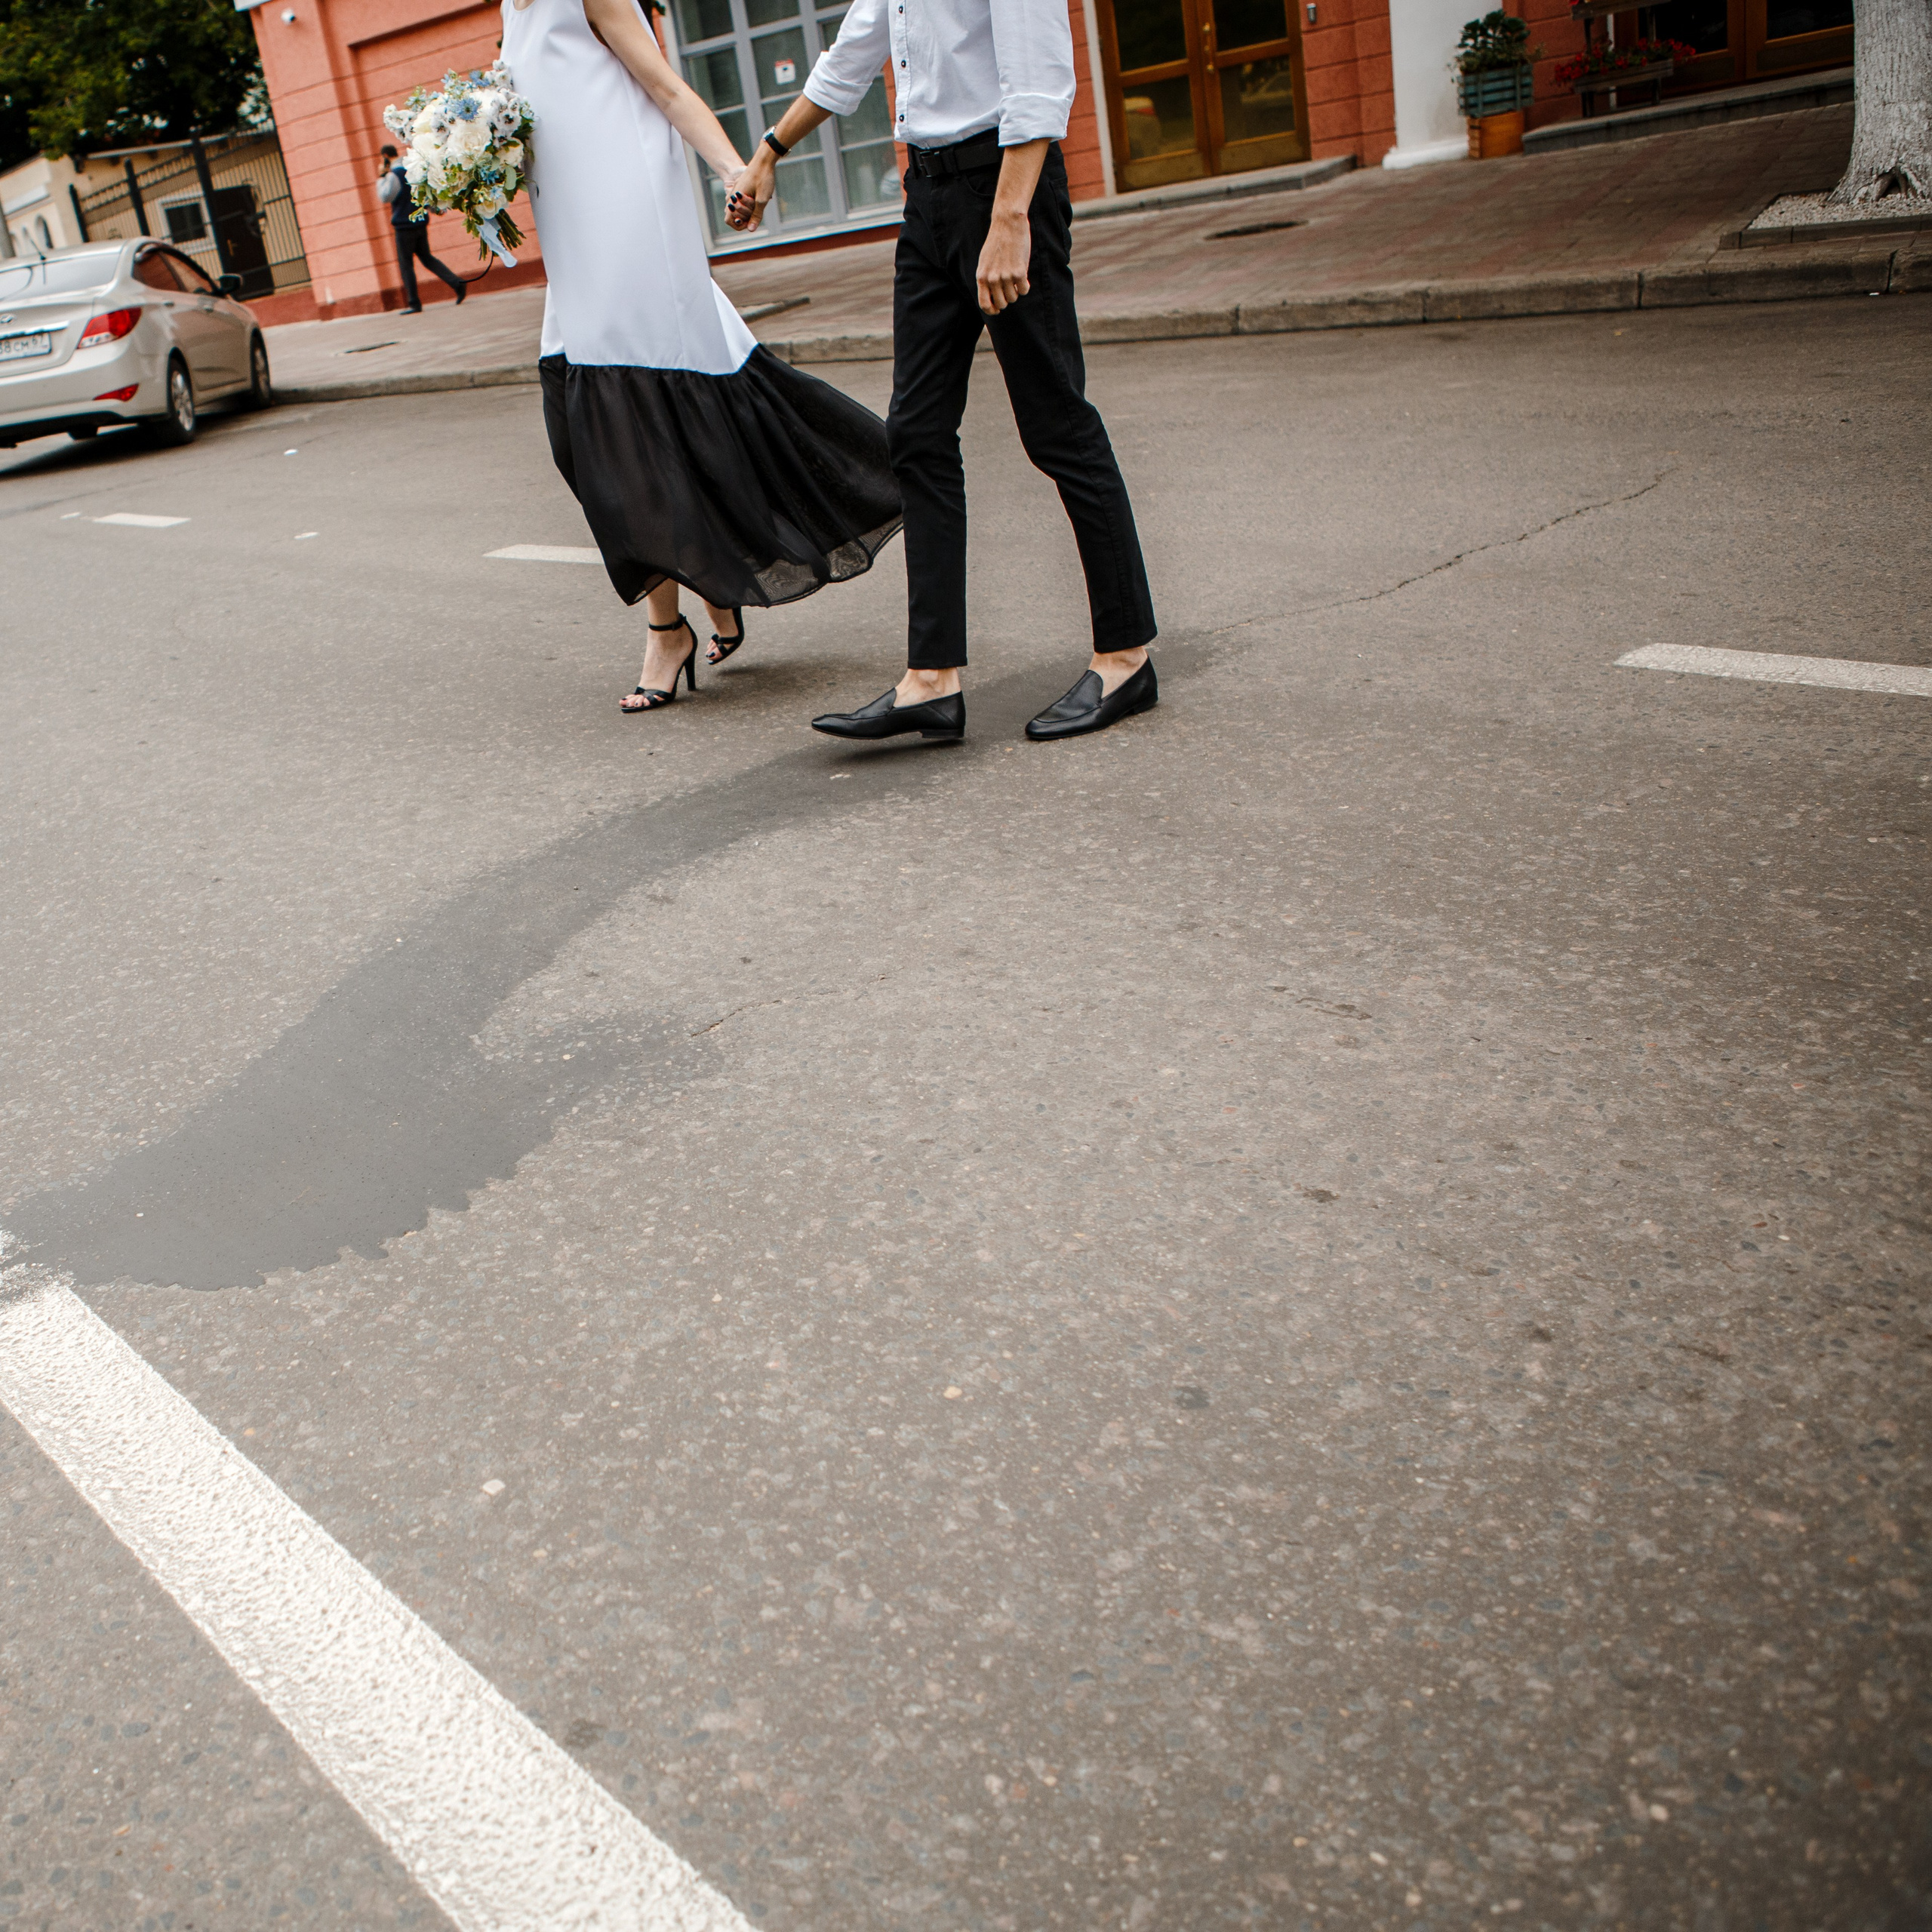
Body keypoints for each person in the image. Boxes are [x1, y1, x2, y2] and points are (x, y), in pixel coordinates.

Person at [728, 0, 1158, 744]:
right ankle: (930, 679)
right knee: (918, 436)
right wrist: (769, 151)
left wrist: (1011, 219)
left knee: (1057, 426)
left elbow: (1041, 78)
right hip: (925, 200)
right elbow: (854, 52)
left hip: (1002, 186)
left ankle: (1125, 656)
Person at [500, 0, 901, 711]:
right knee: (578, 439)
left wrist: (736, 171)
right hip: (573, 239)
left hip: (626, 221)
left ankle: (667, 632)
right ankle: (713, 584)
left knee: (620, 437)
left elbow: (667, 88)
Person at [377, 145, 469, 313]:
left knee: (406, 265)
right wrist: (436, 209)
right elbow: (423, 195)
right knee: (427, 258)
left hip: (404, 227)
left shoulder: (393, 176)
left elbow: (385, 196)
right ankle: (457, 284)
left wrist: (382, 176)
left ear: (385, 156)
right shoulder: (412, 171)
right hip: (420, 223)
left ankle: (414, 303)